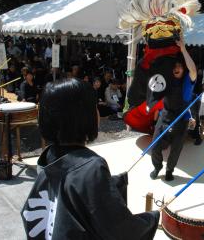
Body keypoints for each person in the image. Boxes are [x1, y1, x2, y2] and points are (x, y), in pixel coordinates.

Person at [22, 78, 159, 239]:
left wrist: (111, 182)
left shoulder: (49, 156)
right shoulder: (92, 167)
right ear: (82, 116)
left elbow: (70, 190)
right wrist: (152, 217)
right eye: (93, 107)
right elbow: (120, 230)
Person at [150, 38, 196, 181]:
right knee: (155, 145)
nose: (176, 69)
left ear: (183, 68)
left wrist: (183, 48)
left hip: (181, 119)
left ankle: (169, 170)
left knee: (176, 150)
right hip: (165, 116)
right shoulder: (166, 79)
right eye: (174, 66)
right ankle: (157, 167)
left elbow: (193, 69)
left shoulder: (188, 82)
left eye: (179, 67)